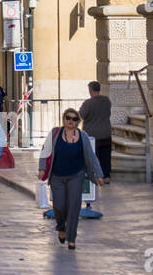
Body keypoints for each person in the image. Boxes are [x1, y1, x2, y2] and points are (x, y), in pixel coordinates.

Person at [39, 107, 104, 250]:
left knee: (74, 207)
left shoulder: (83, 136)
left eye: (74, 119)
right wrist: (42, 168)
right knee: (59, 206)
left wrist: (99, 174)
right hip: (57, 176)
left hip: (76, 175)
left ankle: (71, 238)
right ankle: (61, 227)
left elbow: (92, 157)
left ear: (78, 122)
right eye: (68, 118)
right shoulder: (55, 133)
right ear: (64, 119)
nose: (70, 121)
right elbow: (45, 151)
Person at [79, 80, 113, 183]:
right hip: (106, 133)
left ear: (90, 90)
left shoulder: (88, 103)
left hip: (92, 135)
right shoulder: (106, 100)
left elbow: (81, 115)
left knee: (93, 157)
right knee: (106, 156)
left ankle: (96, 176)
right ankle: (106, 176)